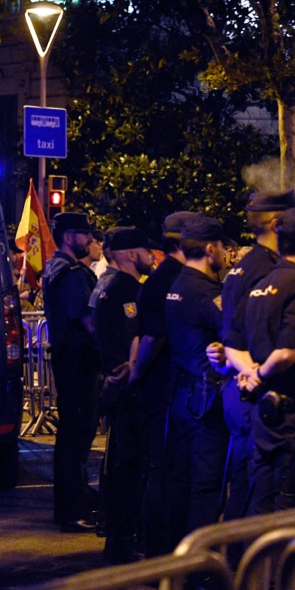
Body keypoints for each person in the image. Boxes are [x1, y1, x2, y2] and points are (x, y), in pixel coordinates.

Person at [225, 207, 295, 514]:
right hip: (294, 422)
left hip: (263, 418)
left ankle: (255, 563)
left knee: (262, 506)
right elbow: (288, 352)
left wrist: (249, 372)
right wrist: (259, 372)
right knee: (293, 514)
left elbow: (232, 343)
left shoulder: (261, 284)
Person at [219, 191, 295, 525]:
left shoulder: (243, 266)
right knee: (259, 488)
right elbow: (253, 331)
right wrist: (254, 372)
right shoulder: (267, 269)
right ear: (278, 224)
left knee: (244, 482)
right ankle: (245, 567)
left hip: (237, 386)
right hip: (255, 390)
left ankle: (234, 563)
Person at [129, 211, 196, 557]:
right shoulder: (173, 280)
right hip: (166, 386)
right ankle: (157, 550)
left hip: (163, 386)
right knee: (164, 468)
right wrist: (136, 374)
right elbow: (152, 338)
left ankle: (157, 545)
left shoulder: (158, 279)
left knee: (163, 467)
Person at [165, 216, 234, 549]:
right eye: (222, 246)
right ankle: (201, 572)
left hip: (180, 395)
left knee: (180, 480)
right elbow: (235, 334)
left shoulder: (177, 286)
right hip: (206, 399)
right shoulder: (207, 293)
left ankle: (175, 558)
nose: (225, 252)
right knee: (207, 486)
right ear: (210, 249)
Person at [92, 227, 155, 563]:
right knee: (131, 468)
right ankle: (123, 541)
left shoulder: (104, 286)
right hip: (128, 390)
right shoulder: (127, 290)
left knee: (119, 466)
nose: (151, 257)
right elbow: (134, 342)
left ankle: (116, 537)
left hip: (115, 388)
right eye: (146, 251)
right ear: (132, 254)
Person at [43, 212, 102, 533]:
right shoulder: (73, 274)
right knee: (77, 439)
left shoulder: (56, 269)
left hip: (68, 363)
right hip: (80, 364)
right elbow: (88, 322)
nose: (91, 240)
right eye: (85, 234)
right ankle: (72, 510)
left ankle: (70, 506)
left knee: (71, 437)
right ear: (68, 236)